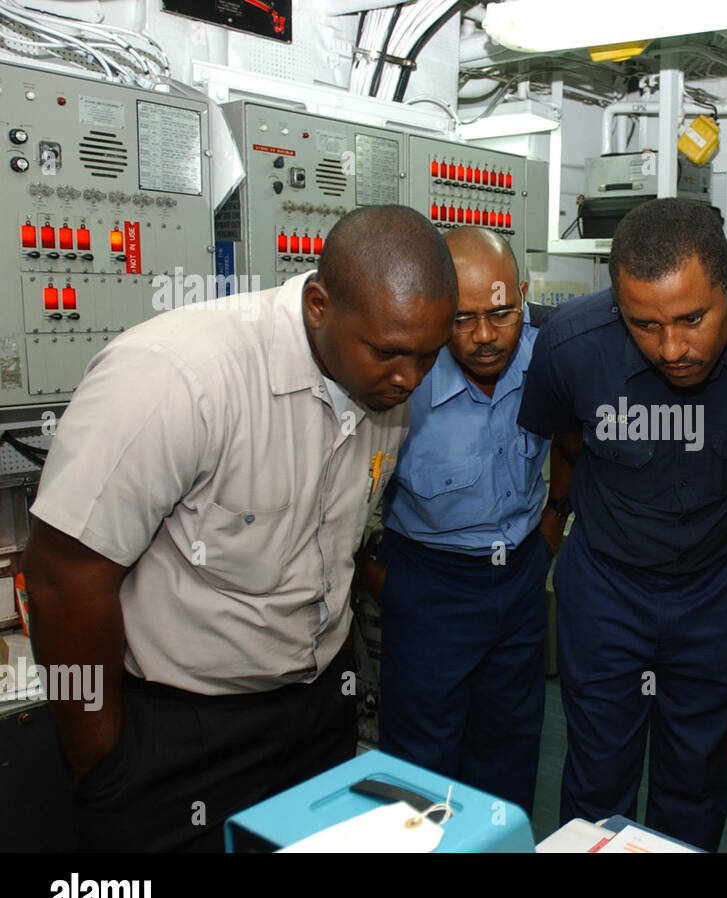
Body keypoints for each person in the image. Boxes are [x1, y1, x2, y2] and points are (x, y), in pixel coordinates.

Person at [22, 205, 458, 852]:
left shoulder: (382, 387)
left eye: (429, 356)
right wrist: (97, 755)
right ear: (318, 305)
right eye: (391, 353)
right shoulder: (175, 378)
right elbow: (61, 578)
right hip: (177, 731)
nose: (411, 379)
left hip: (313, 713)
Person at [518, 197, 727, 851]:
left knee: (698, 777)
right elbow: (567, 440)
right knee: (598, 779)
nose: (672, 348)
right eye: (645, 325)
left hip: (718, 589)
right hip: (606, 587)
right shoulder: (571, 345)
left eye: (693, 318)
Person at [366, 227, 562, 815]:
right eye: (462, 318)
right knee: (420, 760)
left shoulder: (551, 356)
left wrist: (553, 523)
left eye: (501, 313)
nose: (483, 337)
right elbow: (341, 495)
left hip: (521, 576)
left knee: (510, 744)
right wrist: (389, 586)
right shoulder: (402, 382)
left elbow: (576, 441)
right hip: (429, 582)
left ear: (523, 296)